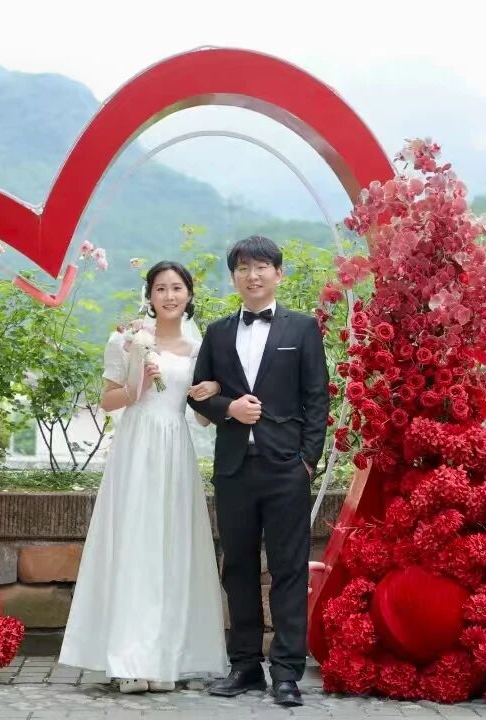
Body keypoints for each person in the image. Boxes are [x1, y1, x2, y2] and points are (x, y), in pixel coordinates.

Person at [59, 261, 228, 693]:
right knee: (134, 543)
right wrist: (139, 385)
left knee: (171, 548)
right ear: (149, 295)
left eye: (177, 288)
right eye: (160, 288)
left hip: (175, 450)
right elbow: (108, 401)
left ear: (189, 294)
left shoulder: (199, 348)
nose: (169, 296)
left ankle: (165, 659)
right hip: (136, 449)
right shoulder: (127, 339)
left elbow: (202, 418)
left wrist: (211, 392)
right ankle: (128, 659)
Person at [188, 235, 329, 708]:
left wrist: (308, 460)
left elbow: (317, 398)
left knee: (288, 569)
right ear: (234, 277)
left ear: (278, 274)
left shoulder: (302, 328)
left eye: (262, 267)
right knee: (239, 569)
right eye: (244, 268)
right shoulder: (217, 332)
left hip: (287, 467)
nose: (253, 275)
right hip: (233, 468)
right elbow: (199, 395)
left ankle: (286, 672)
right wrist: (230, 408)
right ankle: (245, 665)